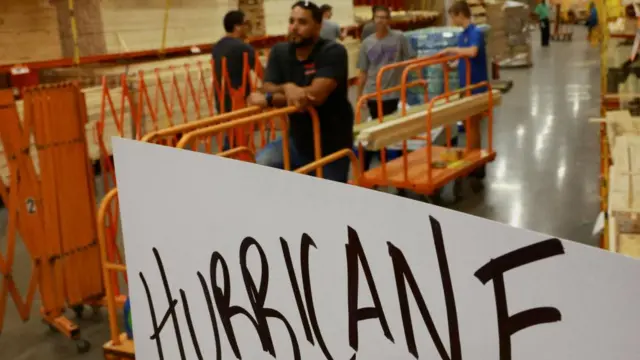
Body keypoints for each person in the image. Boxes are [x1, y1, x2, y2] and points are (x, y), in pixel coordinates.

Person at [246, 1, 354, 183]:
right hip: (297, 142)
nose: (294, 27)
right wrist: (287, 88)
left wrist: (270, 100)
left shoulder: (333, 52)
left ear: (318, 26)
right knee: (259, 164)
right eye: (292, 21)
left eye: (302, 23)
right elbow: (268, 85)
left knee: (331, 201)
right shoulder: (280, 52)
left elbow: (314, 96)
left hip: (332, 147)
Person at [356, 5, 416, 171]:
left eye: (384, 17)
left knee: (390, 133)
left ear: (389, 20)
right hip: (372, 94)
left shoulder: (399, 38)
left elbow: (410, 60)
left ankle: (391, 169)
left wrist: (411, 81)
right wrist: (359, 98)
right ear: (373, 19)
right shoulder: (367, 43)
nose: (381, 21)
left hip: (392, 93)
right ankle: (368, 172)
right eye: (378, 17)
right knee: (375, 132)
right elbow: (362, 72)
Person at [438, 0, 489, 180]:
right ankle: (472, 157)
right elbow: (462, 58)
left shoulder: (476, 32)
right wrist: (450, 65)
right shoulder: (462, 36)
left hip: (476, 85)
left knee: (473, 124)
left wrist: (451, 49)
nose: (452, 21)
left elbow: (473, 52)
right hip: (465, 85)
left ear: (460, 14)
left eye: (453, 17)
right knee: (468, 125)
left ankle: (476, 162)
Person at [212, 10, 255, 113]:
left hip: (222, 106)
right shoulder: (243, 47)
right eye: (246, 24)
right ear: (237, 27)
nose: (248, 28)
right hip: (240, 106)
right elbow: (263, 74)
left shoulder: (216, 47)